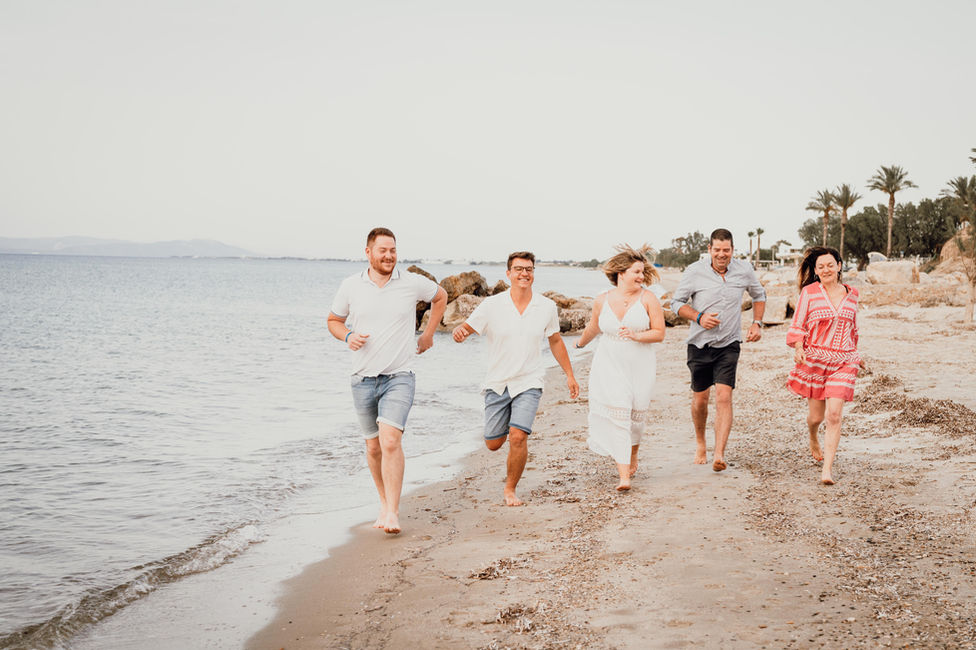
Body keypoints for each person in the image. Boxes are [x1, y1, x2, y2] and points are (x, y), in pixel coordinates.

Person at [327, 227, 448, 534]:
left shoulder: (411, 282)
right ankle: (383, 502)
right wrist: (349, 336)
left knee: (390, 440)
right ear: (368, 252)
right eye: (383, 250)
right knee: (372, 448)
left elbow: (441, 296)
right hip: (362, 379)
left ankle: (393, 512)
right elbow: (333, 321)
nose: (389, 255)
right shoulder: (351, 286)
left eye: (393, 250)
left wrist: (429, 333)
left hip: (400, 375)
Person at [452, 251, 580, 506]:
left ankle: (510, 490)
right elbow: (467, 327)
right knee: (493, 443)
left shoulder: (545, 306)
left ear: (533, 273)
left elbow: (555, 341)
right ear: (508, 273)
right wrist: (460, 331)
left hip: (529, 381)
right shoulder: (491, 305)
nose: (524, 273)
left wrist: (569, 374)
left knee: (518, 436)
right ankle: (503, 427)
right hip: (497, 382)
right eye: (519, 269)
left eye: (529, 269)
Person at [671, 228, 766, 471]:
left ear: (733, 250)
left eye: (726, 250)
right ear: (709, 250)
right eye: (717, 250)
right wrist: (699, 317)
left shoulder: (744, 270)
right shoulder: (694, 271)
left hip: (729, 343)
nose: (721, 254)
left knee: (724, 396)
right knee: (701, 399)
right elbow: (676, 303)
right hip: (699, 344)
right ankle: (701, 443)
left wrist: (757, 322)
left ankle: (719, 454)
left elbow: (759, 294)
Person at [575, 244, 666, 491]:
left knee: (636, 418)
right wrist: (579, 343)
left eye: (642, 272)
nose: (641, 276)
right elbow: (594, 327)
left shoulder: (649, 299)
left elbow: (659, 333)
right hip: (609, 363)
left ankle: (633, 454)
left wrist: (637, 336)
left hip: (640, 364)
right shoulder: (602, 299)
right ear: (620, 273)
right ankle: (623, 476)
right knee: (619, 415)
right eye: (636, 271)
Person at [786, 246, 861, 485]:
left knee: (834, 414)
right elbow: (798, 324)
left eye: (831, 265)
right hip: (815, 361)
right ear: (816, 271)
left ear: (839, 266)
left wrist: (857, 354)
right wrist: (799, 348)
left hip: (844, 361)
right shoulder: (809, 292)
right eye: (821, 267)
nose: (826, 269)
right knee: (816, 417)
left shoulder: (853, 294)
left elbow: (853, 328)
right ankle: (812, 435)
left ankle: (827, 470)